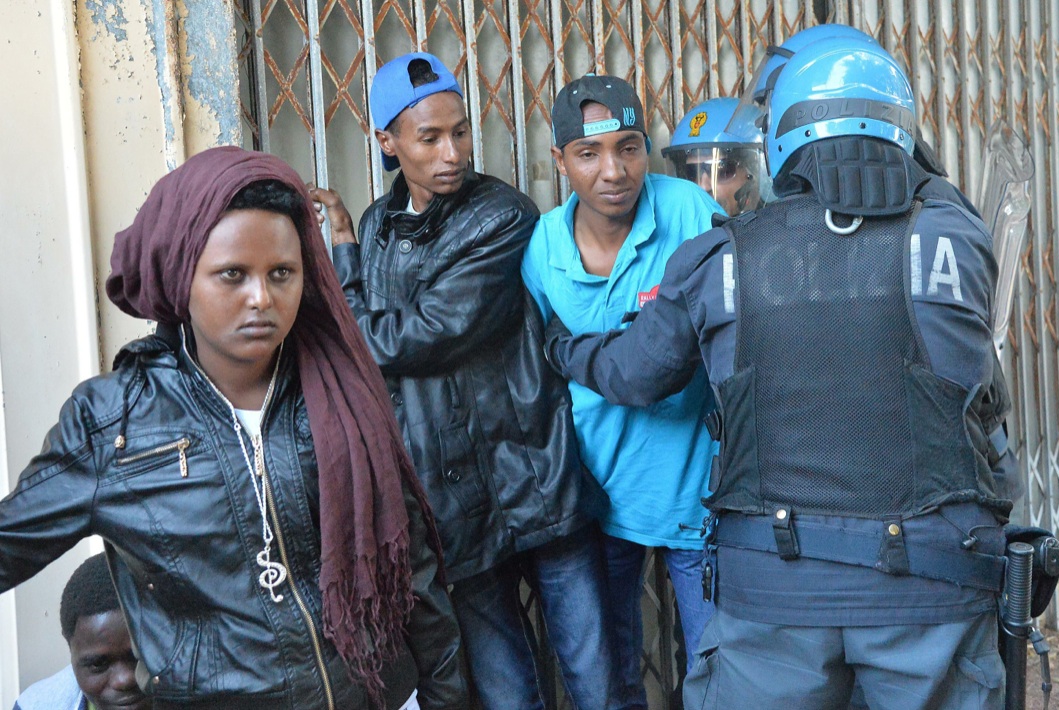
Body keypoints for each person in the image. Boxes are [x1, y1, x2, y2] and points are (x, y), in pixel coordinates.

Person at [545, 35, 1014, 709]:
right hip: (931, 589)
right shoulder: (956, 238)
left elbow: (634, 374)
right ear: (901, 130)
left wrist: (565, 348)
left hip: (773, 596)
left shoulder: (720, 257)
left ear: (781, 136)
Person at [0, 146, 466, 709]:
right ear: (181, 280)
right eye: (232, 275)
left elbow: (412, 573)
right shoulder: (114, 422)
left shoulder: (342, 391)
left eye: (282, 273)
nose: (261, 299)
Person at [311, 52, 616, 710]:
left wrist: (340, 256)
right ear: (387, 143)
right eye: (429, 137)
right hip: (450, 498)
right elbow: (373, 353)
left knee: (594, 677)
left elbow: (405, 339)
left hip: (534, 474)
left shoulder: (500, 217)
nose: (451, 152)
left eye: (459, 132)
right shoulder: (377, 228)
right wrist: (351, 248)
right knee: (505, 689)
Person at [520, 74, 723, 708]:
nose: (613, 171)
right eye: (588, 154)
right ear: (559, 161)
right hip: (597, 496)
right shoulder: (542, 248)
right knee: (612, 675)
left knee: (719, 670)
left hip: (698, 495)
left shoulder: (690, 211)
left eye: (629, 148)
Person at [13, 552, 150, 710]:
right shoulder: (34, 706)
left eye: (139, 657)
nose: (124, 680)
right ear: (71, 651)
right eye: (98, 664)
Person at [662, 97, 769, 217]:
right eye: (691, 173)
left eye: (720, 169)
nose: (703, 187)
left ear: (757, 173)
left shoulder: (781, 233)